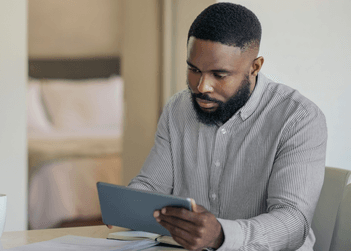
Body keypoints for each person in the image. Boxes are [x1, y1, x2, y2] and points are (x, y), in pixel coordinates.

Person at [126, 3, 327, 251]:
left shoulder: (298, 118)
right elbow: (150, 186)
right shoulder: (177, 109)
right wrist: (127, 206)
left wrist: (221, 236)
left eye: (219, 75)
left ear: (255, 67)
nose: (202, 87)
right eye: (193, 69)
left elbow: (293, 223)